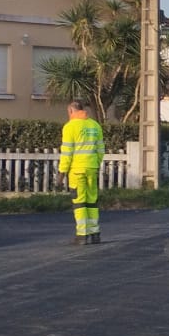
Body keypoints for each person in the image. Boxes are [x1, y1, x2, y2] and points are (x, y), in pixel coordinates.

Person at [57, 100, 105, 245]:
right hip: (92, 169)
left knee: (79, 203)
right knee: (92, 202)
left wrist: (61, 174)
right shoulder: (95, 125)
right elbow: (101, 150)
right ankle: (95, 233)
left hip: (77, 171)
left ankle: (82, 235)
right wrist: (95, 164)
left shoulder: (70, 127)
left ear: (71, 111)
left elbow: (67, 153)